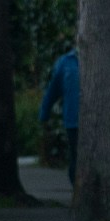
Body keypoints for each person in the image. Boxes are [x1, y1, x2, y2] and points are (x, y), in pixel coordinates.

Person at [39, 46, 80, 176]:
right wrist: (44, 113)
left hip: (96, 121)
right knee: (76, 155)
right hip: (73, 119)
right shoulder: (66, 62)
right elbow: (52, 90)